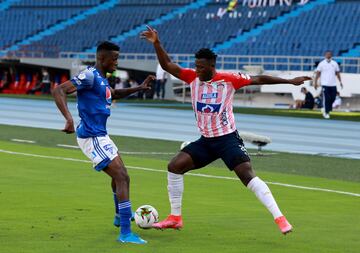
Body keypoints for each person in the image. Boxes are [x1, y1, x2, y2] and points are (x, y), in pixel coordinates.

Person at [141, 26, 311, 235]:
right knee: (174, 166)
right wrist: (157, 43)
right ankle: (175, 217)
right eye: (196, 66)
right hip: (206, 141)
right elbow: (167, 65)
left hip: (227, 139)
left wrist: (289, 81)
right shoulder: (192, 78)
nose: (197, 70)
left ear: (212, 66)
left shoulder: (229, 79)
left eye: (201, 67)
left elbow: (259, 79)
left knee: (247, 176)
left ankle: (280, 218)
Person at [53, 41, 155, 244]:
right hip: (92, 136)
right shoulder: (89, 75)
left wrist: (139, 87)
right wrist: (69, 118)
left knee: (120, 175)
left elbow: (114, 94)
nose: (117, 62)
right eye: (114, 58)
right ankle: (125, 233)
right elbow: (59, 90)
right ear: (102, 58)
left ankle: (119, 216)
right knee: (122, 177)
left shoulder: (101, 79)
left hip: (101, 134)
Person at [314, 51, 343, 119]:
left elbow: (338, 73)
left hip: (333, 84)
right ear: (325, 55)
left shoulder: (334, 63)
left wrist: (340, 82)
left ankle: (327, 108)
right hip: (325, 84)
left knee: (333, 98)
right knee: (326, 98)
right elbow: (318, 73)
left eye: (329, 54)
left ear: (331, 55)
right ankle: (326, 112)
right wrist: (315, 82)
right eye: (327, 54)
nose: (328, 55)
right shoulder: (321, 63)